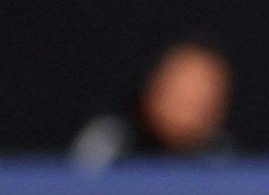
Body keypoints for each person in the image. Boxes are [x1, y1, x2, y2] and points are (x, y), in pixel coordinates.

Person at [69, 40, 234, 167]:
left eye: (204, 95)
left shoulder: (218, 156)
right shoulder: (112, 141)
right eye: (182, 91)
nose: (192, 102)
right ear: (154, 87)